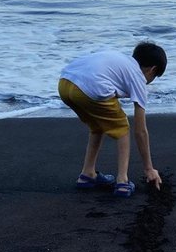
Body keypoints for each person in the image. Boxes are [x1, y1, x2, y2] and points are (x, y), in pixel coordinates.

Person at [58, 42, 167, 198]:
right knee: (123, 128)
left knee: (97, 126)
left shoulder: (122, 61)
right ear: (152, 69)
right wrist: (149, 168)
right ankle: (122, 181)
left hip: (65, 84)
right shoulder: (138, 77)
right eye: (155, 77)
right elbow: (140, 130)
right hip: (92, 88)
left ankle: (87, 174)